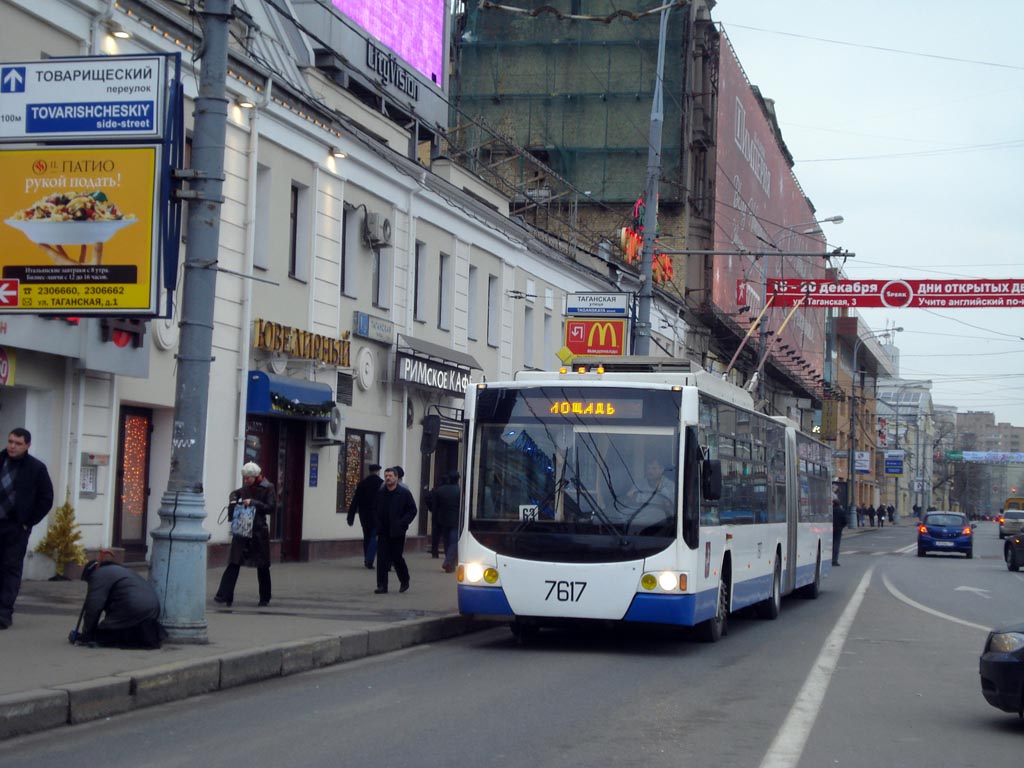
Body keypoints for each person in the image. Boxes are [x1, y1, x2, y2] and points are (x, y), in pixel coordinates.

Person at [0, 428, 55, 630]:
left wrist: (28, 521)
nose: (12, 446)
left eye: (18, 443)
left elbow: (46, 498)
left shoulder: (36, 468)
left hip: (16, 527)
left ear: (27, 445)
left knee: (10, 569)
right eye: (10, 441)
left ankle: (3, 613)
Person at [214, 462, 275, 607]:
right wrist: (233, 499)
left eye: (248, 478)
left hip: (258, 531)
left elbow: (270, 508)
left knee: (262, 566)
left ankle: (265, 597)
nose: (245, 480)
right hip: (242, 528)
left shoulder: (268, 487)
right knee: (234, 562)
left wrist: (253, 502)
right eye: (244, 478)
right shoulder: (246, 487)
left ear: (255, 476)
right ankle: (224, 595)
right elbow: (235, 493)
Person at [74, 559, 166, 648]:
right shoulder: (119, 570)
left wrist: (86, 634)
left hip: (133, 608)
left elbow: (94, 606)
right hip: (152, 608)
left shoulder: (98, 575)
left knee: (102, 635)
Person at [374, 466, 417, 594]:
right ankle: (382, 586)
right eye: (386, 476)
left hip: (397, 531)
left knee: (396, 557)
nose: (388, 478)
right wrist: (377, 523)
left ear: (396, 478)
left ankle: (404, 580)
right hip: (383, 530)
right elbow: (374, 510)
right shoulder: (381, 493)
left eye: (390, 476)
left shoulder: (404, 493)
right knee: (381, 558)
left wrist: (403, 522)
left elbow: (412, 510)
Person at [347, 463, 383, 569]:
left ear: (370, 471)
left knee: (366, 536)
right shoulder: (381, 484)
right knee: (374, 537)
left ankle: (366, 557)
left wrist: (351, 516)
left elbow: (355, 500)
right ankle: (369, 560)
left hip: (364, 515)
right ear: (378, 471)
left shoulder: (362, 483)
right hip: (377, 515)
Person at [431, 472, 461, 573]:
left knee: (446, 541)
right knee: (454, 542)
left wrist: (435, 519)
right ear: (457, 479)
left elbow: (435, 507)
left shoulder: (440, 490)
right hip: (455, 520)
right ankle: (448, 562)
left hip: (442, 520)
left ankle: (450, 565)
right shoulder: (459, 491)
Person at [832, 497, 848, 566]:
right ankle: (834, 560)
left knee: (830, 544)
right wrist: (841, 527)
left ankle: (829, 559)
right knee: (836, 545)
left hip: (830, 529)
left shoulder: (831, 511)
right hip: (838, 530)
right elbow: (845, 521)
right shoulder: (842, 511)